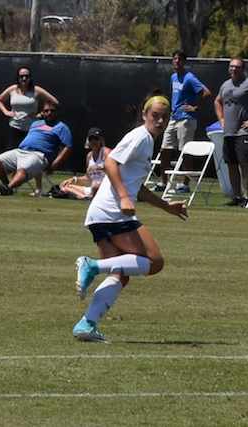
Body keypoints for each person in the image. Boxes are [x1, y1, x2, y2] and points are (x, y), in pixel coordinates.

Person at [71, 93, 189, 343]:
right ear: (144, 116)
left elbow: (139, 187)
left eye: (164, 117)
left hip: (99, 213)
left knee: (119, 273)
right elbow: (111, 162)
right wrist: (124, 198)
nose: (160, 120)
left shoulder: (146, 140)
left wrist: (167, 207)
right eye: (155, 115)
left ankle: (86, 324)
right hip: (112, 211)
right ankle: (91, 265)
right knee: (155, 262)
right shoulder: (141, 137)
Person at [213, 57, 248, 206]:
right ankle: (237, 197)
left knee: (244, 163)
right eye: (231, 67)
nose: (233, 69)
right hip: (229, 132)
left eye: (237, 67)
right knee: (231, 164)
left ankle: (246, 197)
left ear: (243, 69)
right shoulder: (225, 85)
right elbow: (217, 101)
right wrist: (221, 119)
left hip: (243, 132)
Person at [0, 67, 60, 196]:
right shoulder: (12, 89)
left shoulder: (36, 90)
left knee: (34, 160)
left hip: (32, 131)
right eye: (21, 76)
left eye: (27, 76)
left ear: (30, 77)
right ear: (17, 78)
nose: (24, 79)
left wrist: (40, 114)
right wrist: (6, 112)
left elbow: (54, 102)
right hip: (15, 128)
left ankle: (38, 188)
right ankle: (10, 187)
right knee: (14, 159)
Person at [154, 50, 212, 194]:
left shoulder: (190, 77)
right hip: (173, 118)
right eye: (175, 59)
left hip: (186, 119)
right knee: (164, 150)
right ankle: (163, 182)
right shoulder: (173, 77)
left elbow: (207, 93)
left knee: (185, 152)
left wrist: (196, 107)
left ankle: (185, 184)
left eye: (180, 59)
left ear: (184, 61)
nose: (177, 61)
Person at [0, 100, 73, 196]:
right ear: (42, 112)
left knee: (23, 170)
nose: (49, 113)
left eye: (52, 111)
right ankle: (7, 187)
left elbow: (68, 147)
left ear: (57, 112)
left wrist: (55, 164)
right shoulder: (36, 124)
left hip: (39, 155)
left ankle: (8, 188)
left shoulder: (62, 127)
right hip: (21, 151)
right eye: (46, 111)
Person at [55, 127, 111, 200]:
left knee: (97, 185)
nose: (93, 141)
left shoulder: (106, 151)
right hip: (92, 188)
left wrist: (100, 167)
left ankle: (85, 196)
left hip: (104, 186)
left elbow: (114, 169)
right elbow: (88, 178)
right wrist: (74, 179)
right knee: (64, 187)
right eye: (91, 139)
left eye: (96, 139)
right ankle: (84, 197)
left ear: (101, 140)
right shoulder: (89, 156)